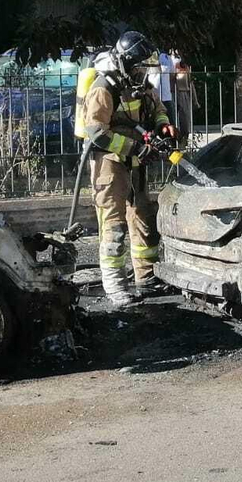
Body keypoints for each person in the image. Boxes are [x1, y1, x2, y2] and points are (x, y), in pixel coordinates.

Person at [84, 30, 175, 307]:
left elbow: (157, 108)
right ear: (124, 62)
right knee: (114, 227)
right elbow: (97, 132)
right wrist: (134, 148)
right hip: (109, 164)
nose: (142, 72)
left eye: (145, 68)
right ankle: (115, 287)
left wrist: (163, 125)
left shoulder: (140, 84)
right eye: (138, 67)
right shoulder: (103, 87)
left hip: (136, 163)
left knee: (142, 220)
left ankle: (145, 278)